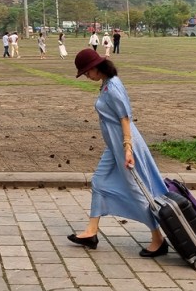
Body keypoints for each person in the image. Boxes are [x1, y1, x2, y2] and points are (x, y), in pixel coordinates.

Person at [67, 49, 169, 257]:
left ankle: (158, 239)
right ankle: (91, 232)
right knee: (98, 181)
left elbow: (125, 118)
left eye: (87, 72)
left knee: (137, 190)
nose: (87, 76)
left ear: (97, 67)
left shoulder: (113, 87)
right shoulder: (106, 84)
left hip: (124, 145)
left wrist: (128, 148)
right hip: (113, 146)